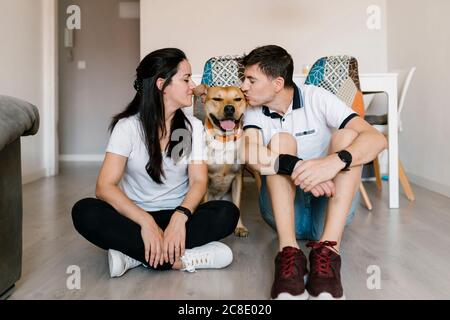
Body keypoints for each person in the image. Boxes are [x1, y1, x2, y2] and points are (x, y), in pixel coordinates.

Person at [72, 48, 239, 278]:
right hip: (135, 218)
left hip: (179, 216)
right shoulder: (127, 127)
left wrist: (180, 217)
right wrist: (146, 223)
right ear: (162, 84)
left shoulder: (193, 127)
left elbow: (199, 181)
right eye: (186, 79)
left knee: (227, 212)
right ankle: (181, 258)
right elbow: (105, 186)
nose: (193, 85)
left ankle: (133, 256)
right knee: (84, 211)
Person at [240, 45, 387, 300]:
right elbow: (248, 152)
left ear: (277, 83)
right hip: (284, 213)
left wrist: (334, 162)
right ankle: (288, 252)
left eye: (251, 80)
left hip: (327, 211)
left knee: (347, 137)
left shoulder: (316, 97)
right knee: (281, 142)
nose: (243, 86)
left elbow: (376, 139)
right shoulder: (252, 110)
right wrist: (297, 167)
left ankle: (329, 252)